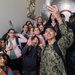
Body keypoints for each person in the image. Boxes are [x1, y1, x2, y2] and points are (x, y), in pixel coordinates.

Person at [40, 5, 74, 75]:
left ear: (55, 33)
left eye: (50, 31)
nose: (48, 32)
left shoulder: (60, 44)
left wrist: (59, 18)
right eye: (46, 31)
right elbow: (42, 66)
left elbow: (68, 37)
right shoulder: (44, 49)